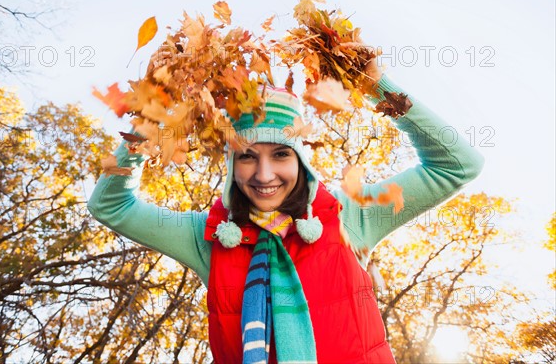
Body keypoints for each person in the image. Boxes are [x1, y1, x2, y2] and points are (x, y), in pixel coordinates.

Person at [88, 56, 484, 362]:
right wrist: (150, 122)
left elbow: (457, 164)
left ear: (300, 161)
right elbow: (111, 205)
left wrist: (376, 86)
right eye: (247, 157)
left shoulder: (348, 216)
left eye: (280, 154)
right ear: (231, 165)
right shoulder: (209, 237)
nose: (264, 174)